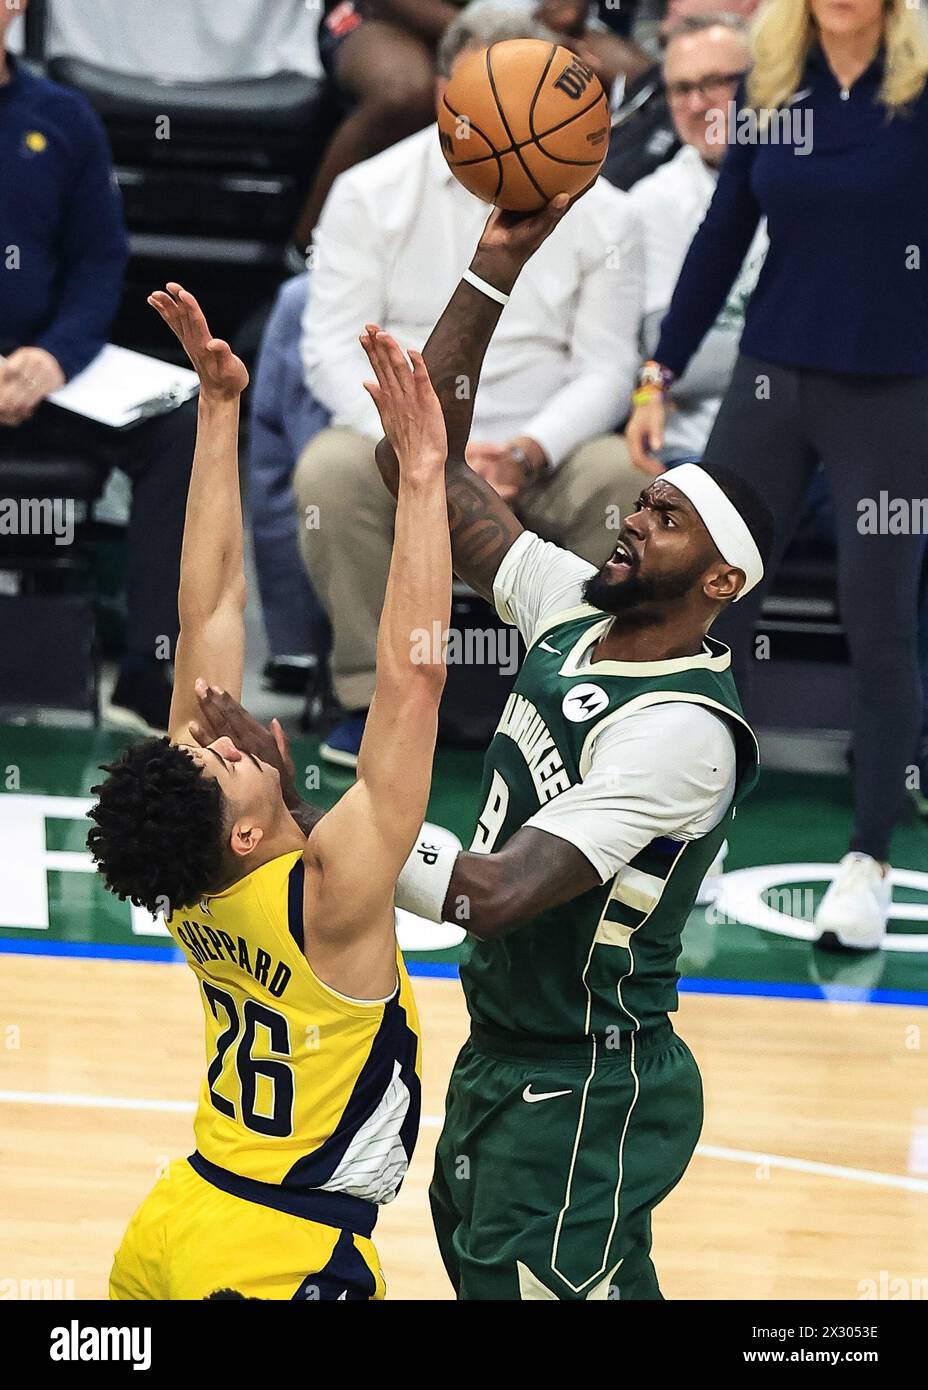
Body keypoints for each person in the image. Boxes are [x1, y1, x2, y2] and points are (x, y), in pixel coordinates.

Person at [366, 199, 773, 1299]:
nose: (635, 520)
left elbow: (494, 893)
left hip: (590, 1077)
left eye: (667, 519)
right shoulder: (567, 606)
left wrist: (339, 839)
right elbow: (420, 468)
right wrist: (494, 266)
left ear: (720, 584)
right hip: (507, 1049)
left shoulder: (683, 732)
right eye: (642, 502)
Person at [87, 285, 452, 1299]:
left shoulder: (191, 875)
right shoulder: (328, 895)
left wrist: (217, 412)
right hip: (279, 1253)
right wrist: (421, 478)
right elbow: (413, 678)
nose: (231, 738)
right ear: (248, 830)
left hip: (176, 1218)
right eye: (226, 761)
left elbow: (205, 602)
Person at [626, 0, 928, 951]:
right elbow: (724, 234)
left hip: (896, 388)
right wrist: (658, 373)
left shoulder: (920, 91)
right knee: (709, 603)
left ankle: (869, 860)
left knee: (877, 616)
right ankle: (695, 826)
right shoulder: (772, 89)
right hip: (773, 376)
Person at [295, 1, 645, 768]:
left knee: (625, 476)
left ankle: (575, 698)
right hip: (401, 436)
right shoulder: (367, 189)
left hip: (542, 445)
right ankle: (365, 697)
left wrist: (525, 451)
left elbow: (607, 367)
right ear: (445, 88)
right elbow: (327, 348)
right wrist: (415, 446)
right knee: (328, 472)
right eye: (484, 88)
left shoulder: (610, 213)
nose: (499, 112)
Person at [0, 0, 196, 733]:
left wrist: (52, 356)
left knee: (183, 423)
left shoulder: (63, 116)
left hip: (47, 370)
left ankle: (150, 670)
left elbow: (99, 262)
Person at [627, 13, 763, 465]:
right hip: (691, 447)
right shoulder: (653, 200)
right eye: (681, 89)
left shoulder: (803, 181)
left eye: (718, 83)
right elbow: (674, 362)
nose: (698, 104)